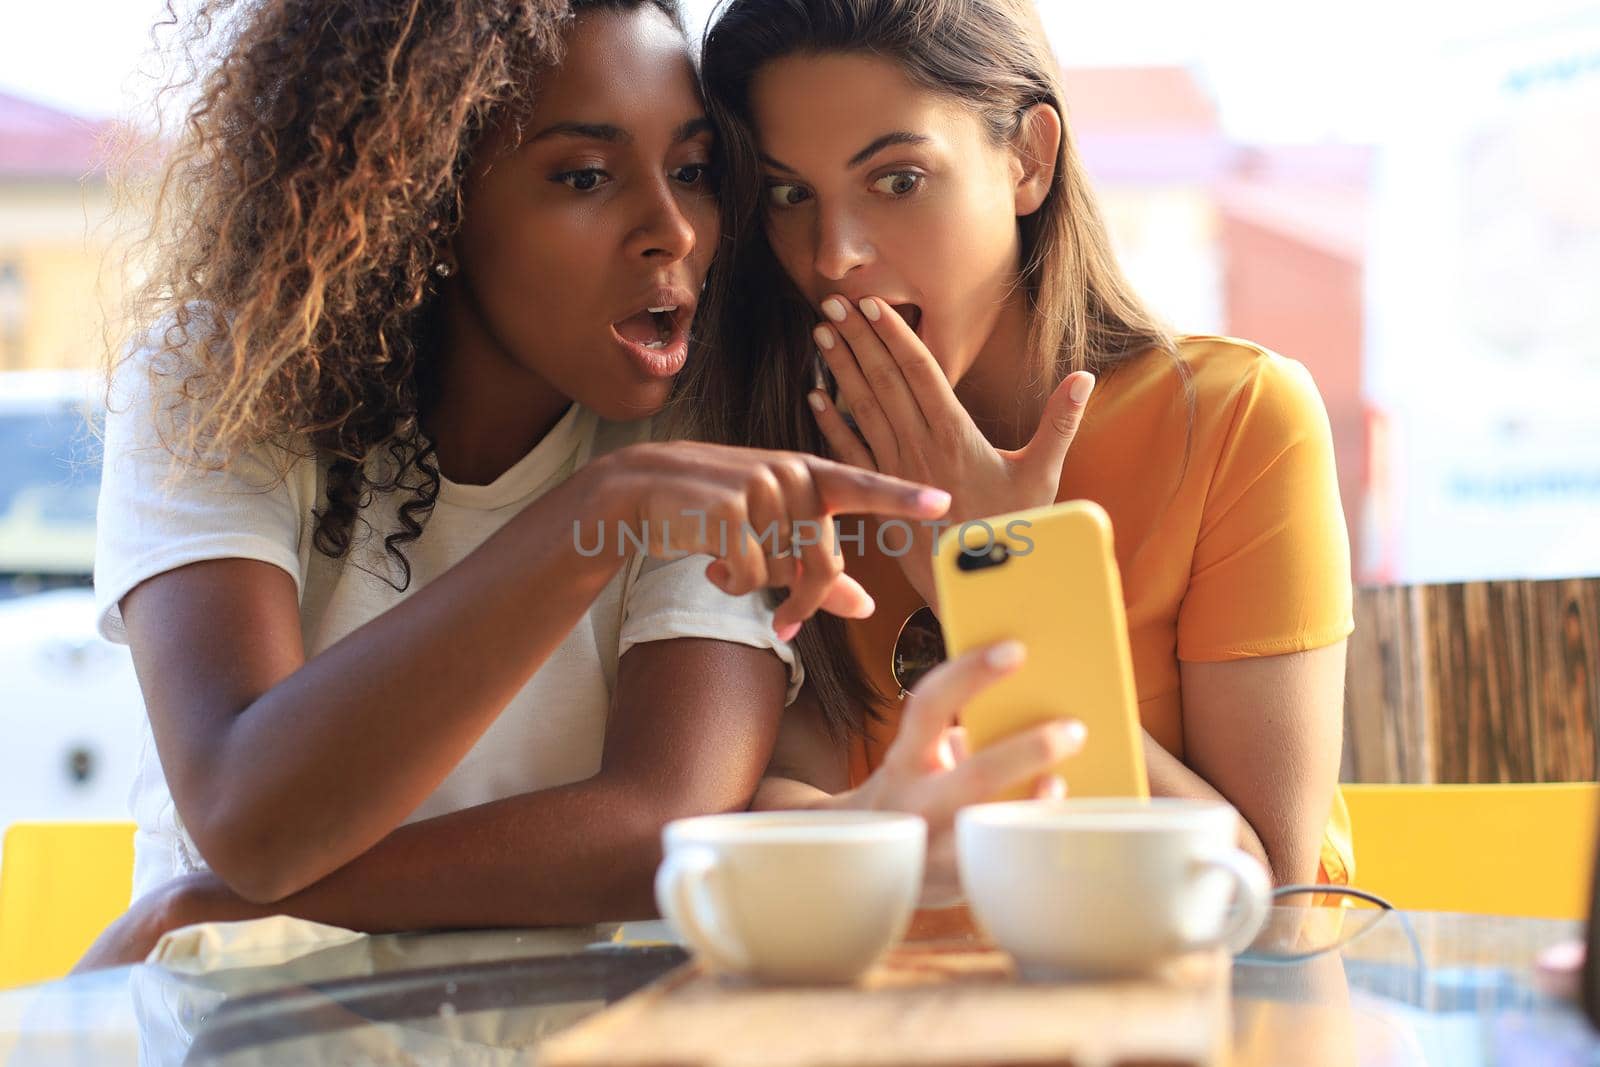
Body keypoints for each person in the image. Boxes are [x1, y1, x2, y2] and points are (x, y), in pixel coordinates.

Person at [75, 0, 964, 968]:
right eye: (584, 175)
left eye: (693, 171)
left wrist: (228, 905)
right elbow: (248, 809)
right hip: (239, 1023)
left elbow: (665, 817)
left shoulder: (695, 415)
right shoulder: (226, 374)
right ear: (429, 201)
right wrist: (601, 512)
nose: (671, 231)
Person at [683, 0, 1356, 896]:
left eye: (897, 179)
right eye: (789, 194)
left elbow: (1267, 892)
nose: (834, 255)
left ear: (1029, 160)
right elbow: (765, 807)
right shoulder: (788, 440)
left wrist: (1008, 586)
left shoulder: (1238, 420)